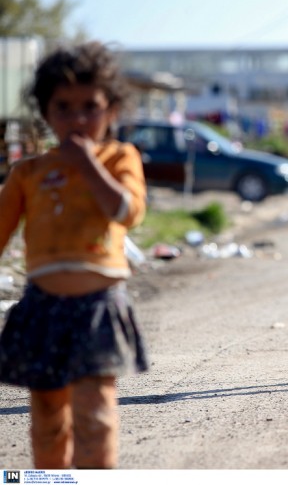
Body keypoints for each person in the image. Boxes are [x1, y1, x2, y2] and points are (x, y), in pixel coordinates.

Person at [0, 41, 148, 468]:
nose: (78, 118)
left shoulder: (120, 157)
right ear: (46, 113)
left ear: (111, 111)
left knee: (95, 412)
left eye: (90, 106)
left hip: (98, 307)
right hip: (42, 308)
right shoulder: (28, 172)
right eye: (63, 107)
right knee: (47, 415)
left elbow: (128, 212)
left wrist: (88, 164)